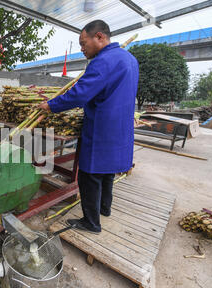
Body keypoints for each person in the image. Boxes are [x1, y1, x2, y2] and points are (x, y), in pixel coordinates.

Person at [38, 20, 139, 234]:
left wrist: (51, 105)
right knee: (107, 172)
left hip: (102, 128)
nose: (82, 49)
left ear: (100, 37)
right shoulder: (130, 59)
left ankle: (91, 223)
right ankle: (104, 209)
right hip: (121, 129)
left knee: (89, 175)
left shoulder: (102, 61)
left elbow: (81, 94)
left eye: (84, 44)